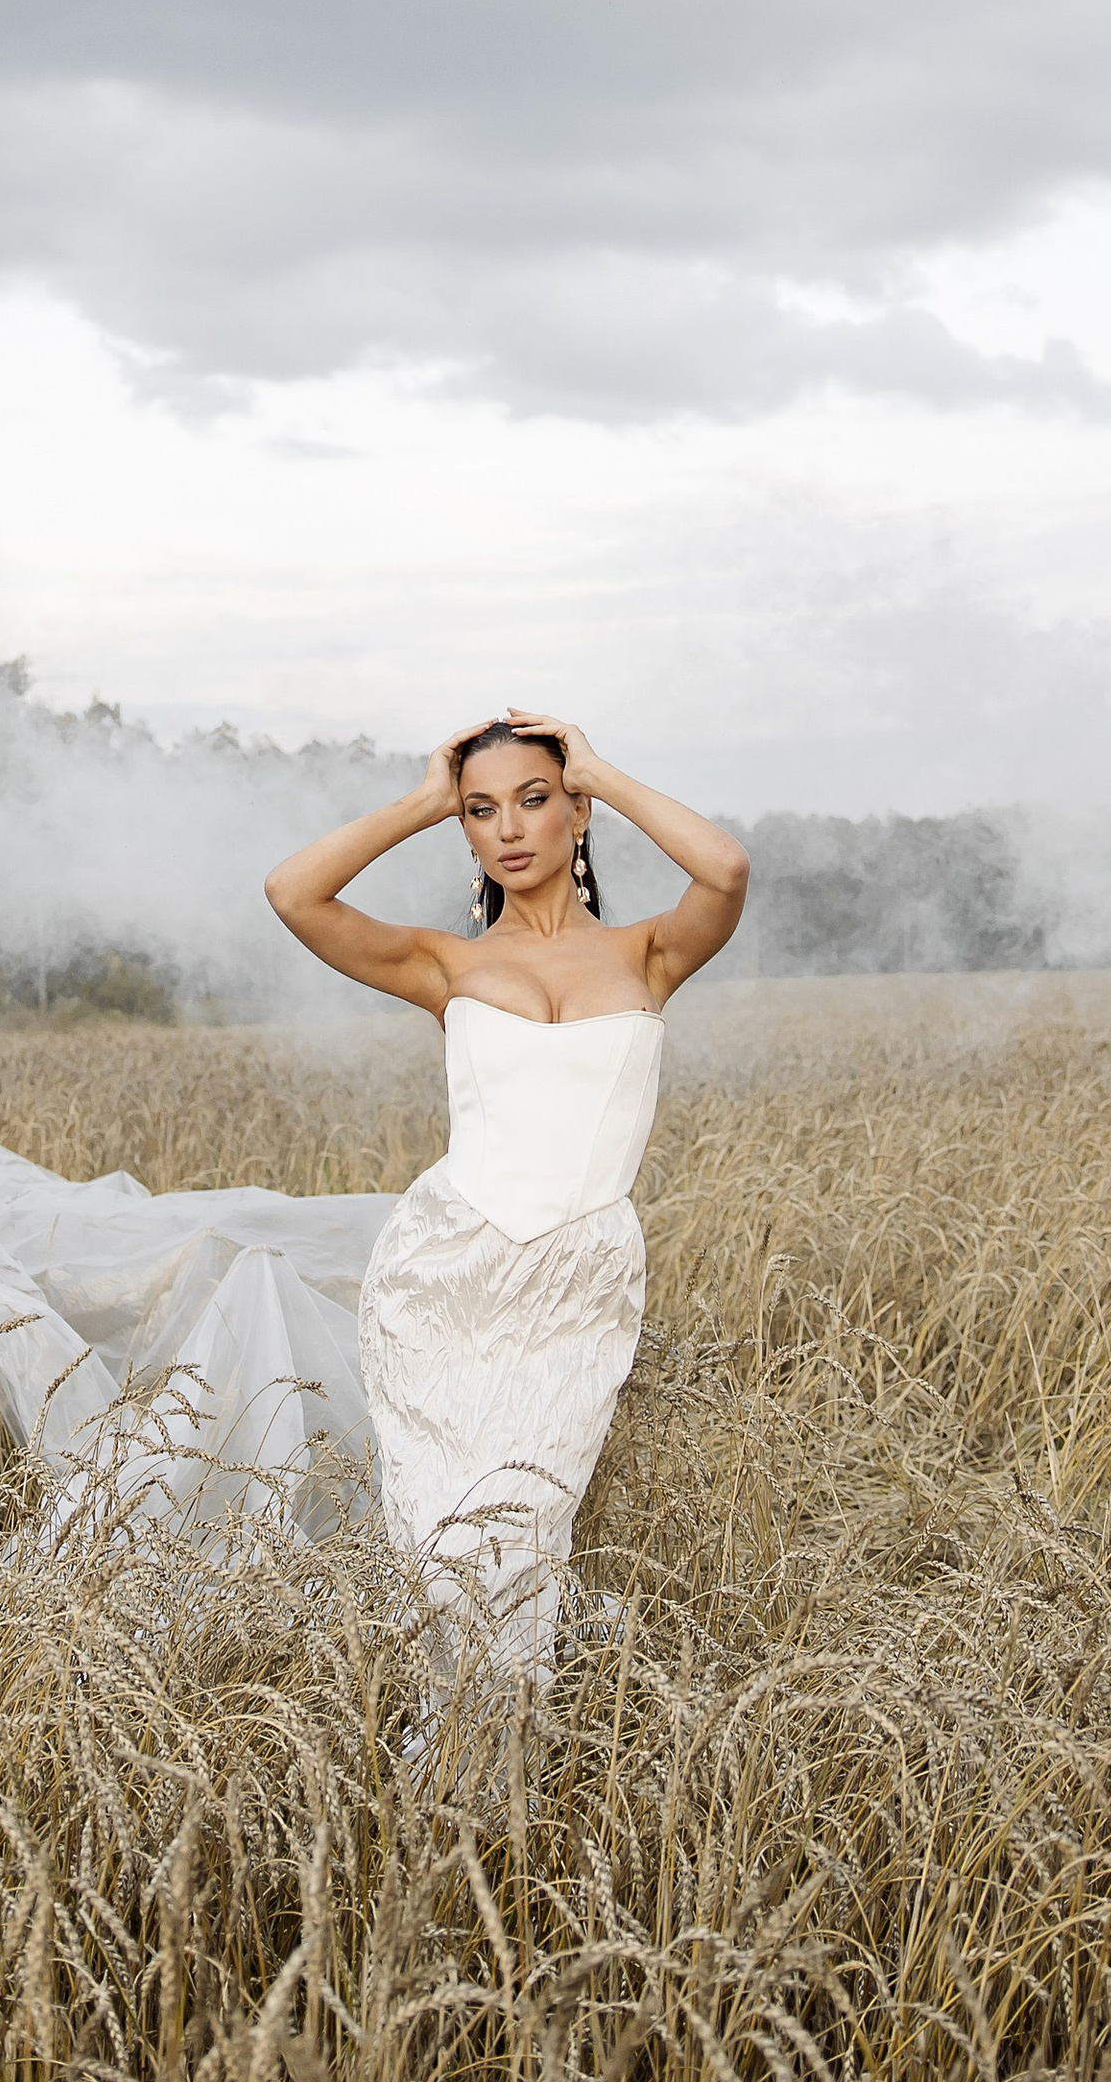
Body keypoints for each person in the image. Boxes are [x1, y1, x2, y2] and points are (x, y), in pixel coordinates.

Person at [264, 713, 748, 1702]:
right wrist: (423, 799)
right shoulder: (447, 964)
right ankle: (447, 1747)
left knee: (525, 1522)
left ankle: (508, 1734)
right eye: (482, 812)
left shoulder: (649, 954)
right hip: (446, 1271)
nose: (510, 829)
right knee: (445, 1537)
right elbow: (293, 893)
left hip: (578, 1279)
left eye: (534, 800)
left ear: (577, 812)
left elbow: (726, 870)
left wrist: (599, 770)